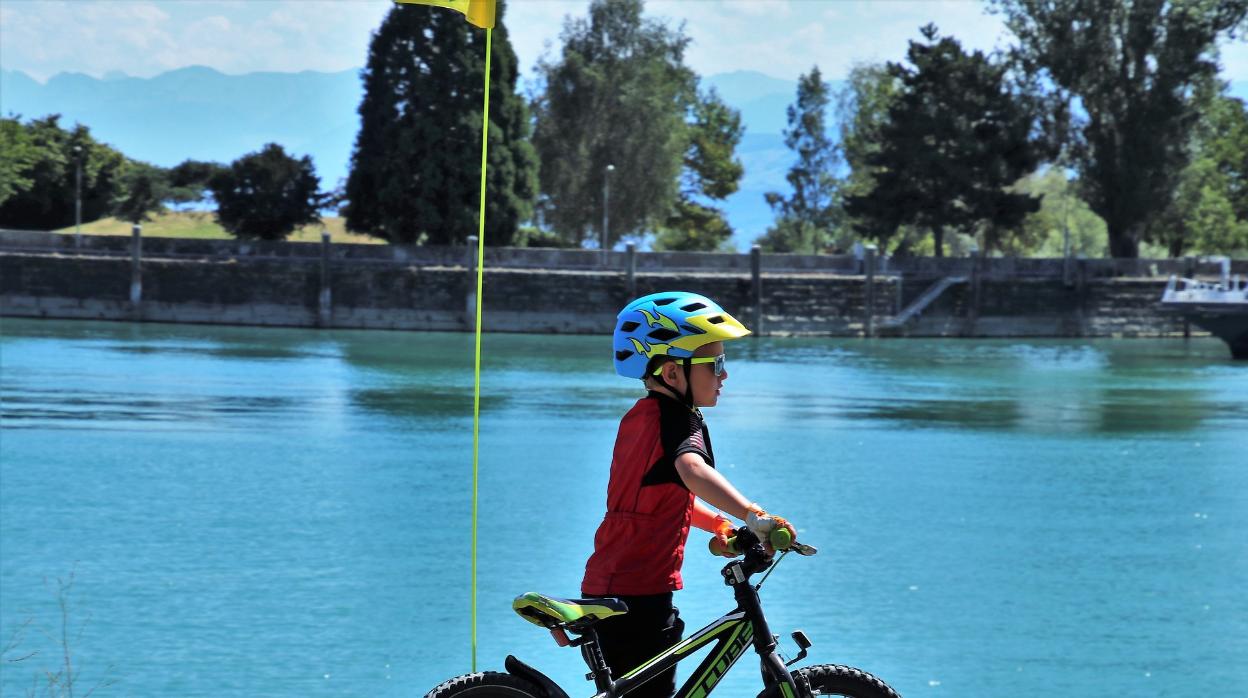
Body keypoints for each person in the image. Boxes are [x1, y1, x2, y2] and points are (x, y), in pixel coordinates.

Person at [581, 291, 796, 698]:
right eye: (715, 365)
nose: (724, 376)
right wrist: (754, 514)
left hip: (618, 582)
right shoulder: (677, 421)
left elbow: (667, 493)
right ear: (672, 373)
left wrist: (718, 522)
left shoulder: (640, 417)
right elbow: (692, 471)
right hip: (637, 594)